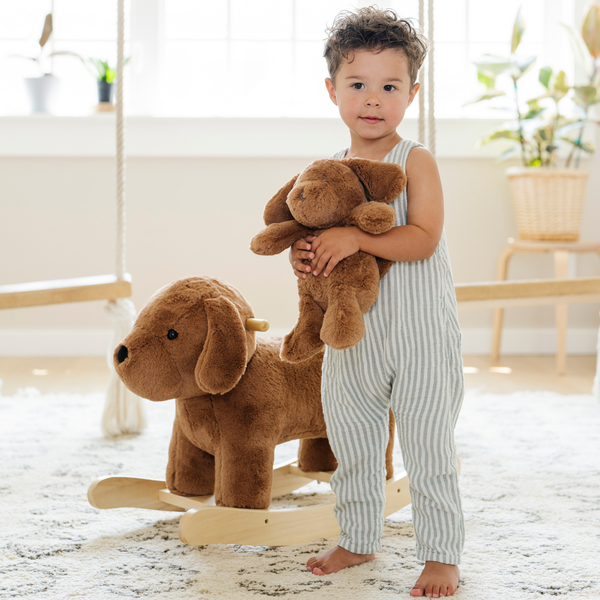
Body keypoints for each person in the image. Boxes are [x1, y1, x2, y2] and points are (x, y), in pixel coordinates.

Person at [289, 7, 464, 598]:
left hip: (419, 335)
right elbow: (321, 250)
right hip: (354, 337)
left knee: (428, 443)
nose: (372, 99)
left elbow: (424, 238)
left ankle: (441, 554)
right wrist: (311, 257)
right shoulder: (329, 173)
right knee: (354, 439)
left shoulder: (415, 160)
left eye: (389, 86)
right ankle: (360, 537)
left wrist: (358, 237)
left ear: (411, 93)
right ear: (332, 90)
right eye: (357, 84)